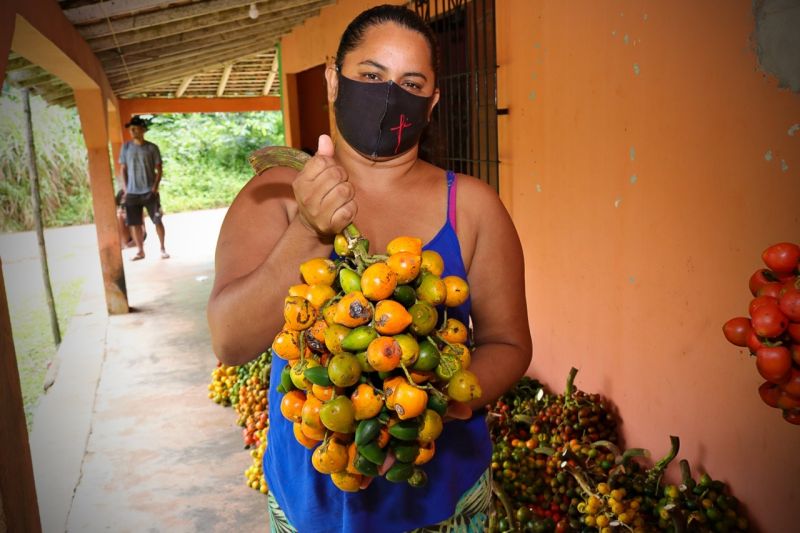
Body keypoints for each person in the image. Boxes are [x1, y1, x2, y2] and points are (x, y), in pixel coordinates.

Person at [207, 5, 531, 532]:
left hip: (442, 499)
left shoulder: (472, 207)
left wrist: (426, 406)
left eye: (411, 82)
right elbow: (230, 341)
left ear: (432, 102)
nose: (388, 97)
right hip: (312, 503)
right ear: (335, 79)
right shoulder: (272, 196)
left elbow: (510, 346)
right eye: (371, 76)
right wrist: (309, 231)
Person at [119, 115, 169, 260]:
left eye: (136, 128)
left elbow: (159, 169)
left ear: (143, 130)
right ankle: (140, 250)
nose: (133, 131)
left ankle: (162, 248)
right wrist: (126, 189)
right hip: (132, 192)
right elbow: (123, 169)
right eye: (131, 129)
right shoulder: (126, 147)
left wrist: (155, 187)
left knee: (157, 220)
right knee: (134, 223)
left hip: (149, 191)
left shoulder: (152, 148)